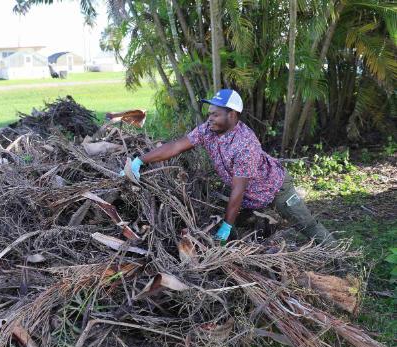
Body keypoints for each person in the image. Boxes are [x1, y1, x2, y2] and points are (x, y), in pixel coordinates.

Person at [120, 89, 335, 244]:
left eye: (215, 114)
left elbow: (238, 190)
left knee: (307, 225)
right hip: (249, 196)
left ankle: (340, 262)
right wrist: (140, 161)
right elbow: (176, 146)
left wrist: (226, 226)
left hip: (276, 189)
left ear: (232, 115)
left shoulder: (245, 144)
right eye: (209, 112)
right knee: (242, 227)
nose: (209, 117)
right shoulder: (208, 130)